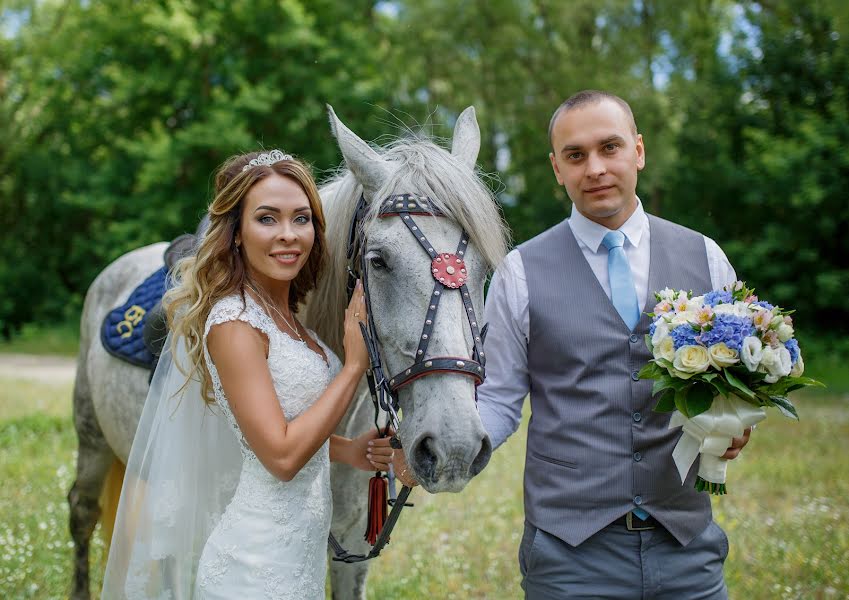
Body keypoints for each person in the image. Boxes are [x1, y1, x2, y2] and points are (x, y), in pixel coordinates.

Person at [477, 90, 751, 599]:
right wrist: (450, 447)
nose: (595, 168)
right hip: (569, 556)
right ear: (556, 168)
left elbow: (730, 382)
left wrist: (733, 424)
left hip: (687, 547)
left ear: (639, 151)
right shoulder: (519, 272)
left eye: (610, 147)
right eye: (576, 156)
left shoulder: (705, 257)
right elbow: (497, 396)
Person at [101, 150, 395, 599]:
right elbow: (279, 457)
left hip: (296, 559)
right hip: (254, 568)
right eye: (266, 219)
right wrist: (352, 366)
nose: (288, 235)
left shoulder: (288, 318)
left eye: (301, 219)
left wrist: (350, 451)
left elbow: (264, 429)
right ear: (236, 233)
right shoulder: (234, 323)